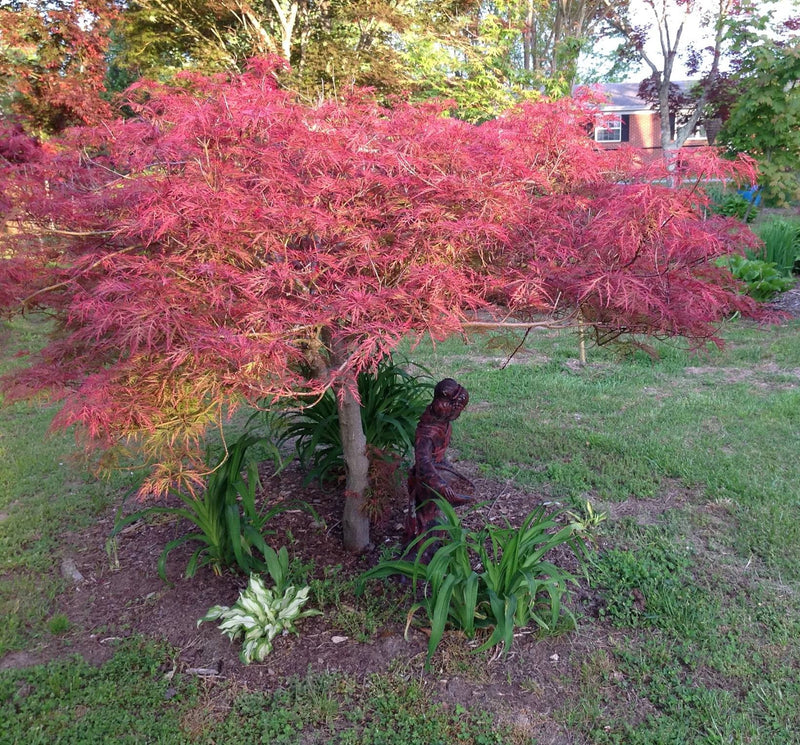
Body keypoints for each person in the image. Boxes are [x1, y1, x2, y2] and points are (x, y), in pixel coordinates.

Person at [405, 378, 473, 541]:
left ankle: (436, 546)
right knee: (428, 520)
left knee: (439, 518)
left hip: (438, 471)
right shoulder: (427, 433)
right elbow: (424, 465)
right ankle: (424, 554)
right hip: (428, 481)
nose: (457, 414)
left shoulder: (442, 422)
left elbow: (438, 456)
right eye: (456, 409)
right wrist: (442, 486)